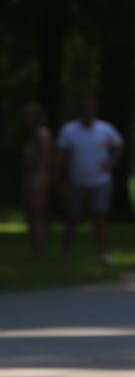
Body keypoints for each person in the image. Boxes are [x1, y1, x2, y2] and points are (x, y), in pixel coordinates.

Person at [55, 96, 124, 265]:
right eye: (85, 107)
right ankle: (65, 254)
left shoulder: (105, 128)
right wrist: (60, 180)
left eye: (92, 107)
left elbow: (120, 145)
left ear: (96, 109)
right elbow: (60, 157)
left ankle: (102, 254)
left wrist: (111, 163)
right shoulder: (69, 130)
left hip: (101, 182)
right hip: (76, 182)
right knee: (72, 217)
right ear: (80, 109)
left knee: (100, 218)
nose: (88, 110)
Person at [20, 103, 53, 260]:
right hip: (31, 177)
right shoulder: (34, 135)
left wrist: (37, 182)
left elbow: (44, 161)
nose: (27, 119)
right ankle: (35, 252)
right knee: (31, 217)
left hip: (37, 179)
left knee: (36, 217)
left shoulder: (42, 134)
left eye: (30, 115)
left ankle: (38, 254)